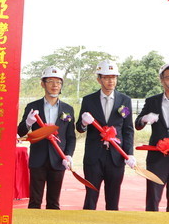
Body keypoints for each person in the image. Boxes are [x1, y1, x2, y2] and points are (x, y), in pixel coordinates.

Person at [77, 59, 135, 210]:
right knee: (91, 197)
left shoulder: (125, 100)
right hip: (94, 156)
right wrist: (83, 123)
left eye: (114, 77)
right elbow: (79, 128)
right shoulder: (89, 100)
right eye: (107, 77)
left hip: (116, 157)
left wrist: (129, 154)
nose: (111, 81)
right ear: (99, 79)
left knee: (113, 197)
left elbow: (128, 129)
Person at [17, 66, 76, 209]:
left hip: (58, 159)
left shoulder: (67, 109)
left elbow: (71, 136)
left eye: (58, 82)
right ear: (43, 84)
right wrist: (29, 122)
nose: (55, 85)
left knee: (54, 203)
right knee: (35, 202)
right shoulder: (33, 106)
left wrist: (68, 155)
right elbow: (20, 131)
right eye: (50, 81)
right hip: (38, 159)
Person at [134, 63, 169, 211]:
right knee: (153, 197)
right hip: (156, 158)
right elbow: (137, 124)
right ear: (161, 80)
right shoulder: (152, 101)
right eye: (167, 77)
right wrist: (144, 119)